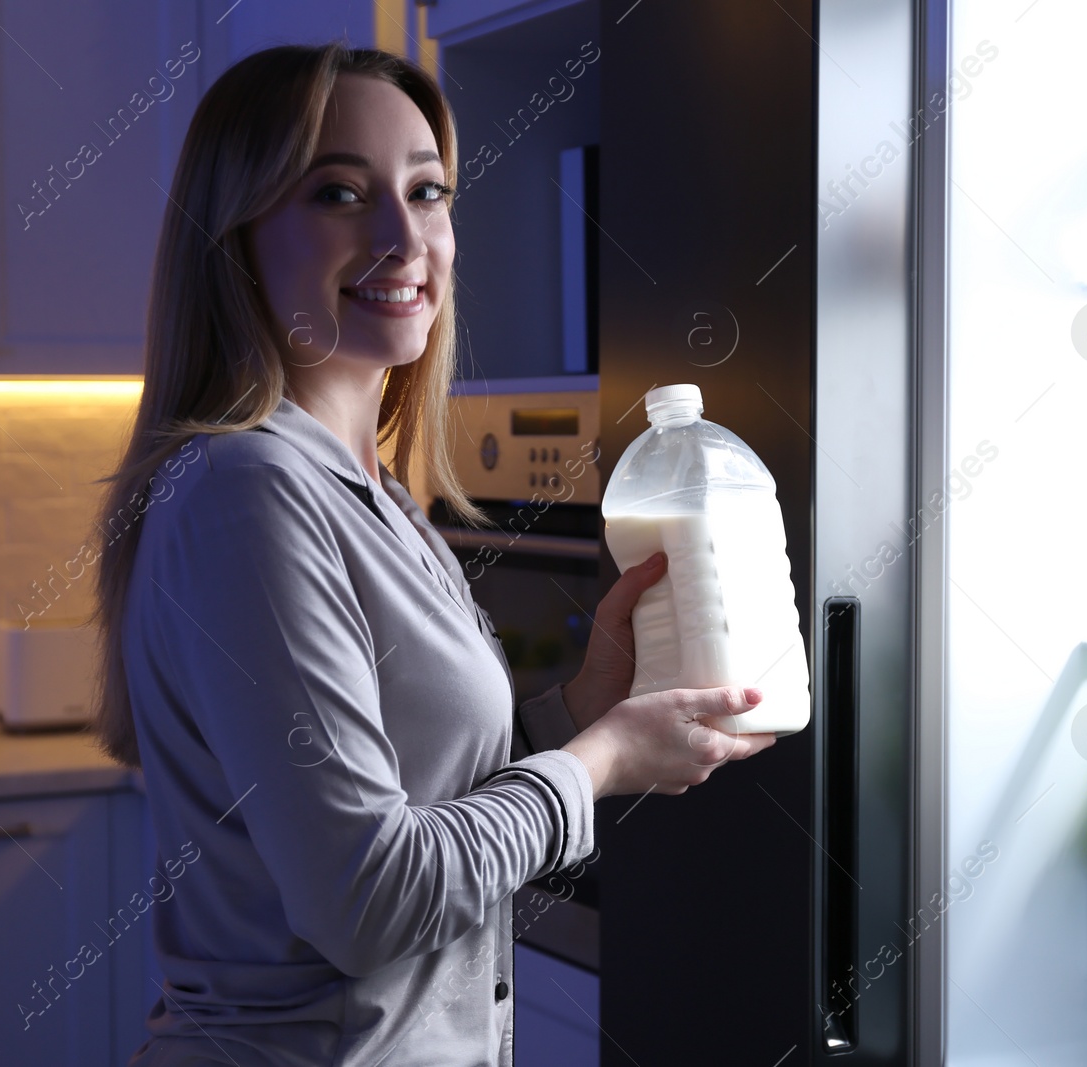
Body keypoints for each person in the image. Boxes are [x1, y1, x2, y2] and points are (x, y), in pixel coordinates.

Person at [89, 42, 779, 1067]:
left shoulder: (375, 496)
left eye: (426, 191)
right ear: (231, 235)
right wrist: (594, 765)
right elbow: (368, 897)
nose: (402, 235)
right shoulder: (250, 491)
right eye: (337, 192)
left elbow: (416, 796)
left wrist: (580, 711)